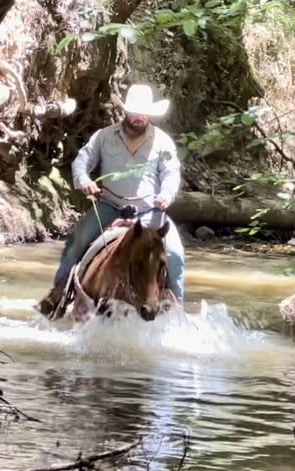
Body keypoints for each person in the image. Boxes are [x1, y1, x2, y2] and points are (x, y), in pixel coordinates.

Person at [37, 84, 185, 317]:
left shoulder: (163, 142)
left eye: (143, 112)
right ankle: (57, 297)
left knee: (174, 255)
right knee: (76, 242)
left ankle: (177, 311)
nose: (139, 117)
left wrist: (166, 194)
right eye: (135, 111)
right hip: (110, 206)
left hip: (149, 210)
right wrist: (83, 180)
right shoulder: (104, 137)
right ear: (126, 111)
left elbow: (171, 173)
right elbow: (81, 162)